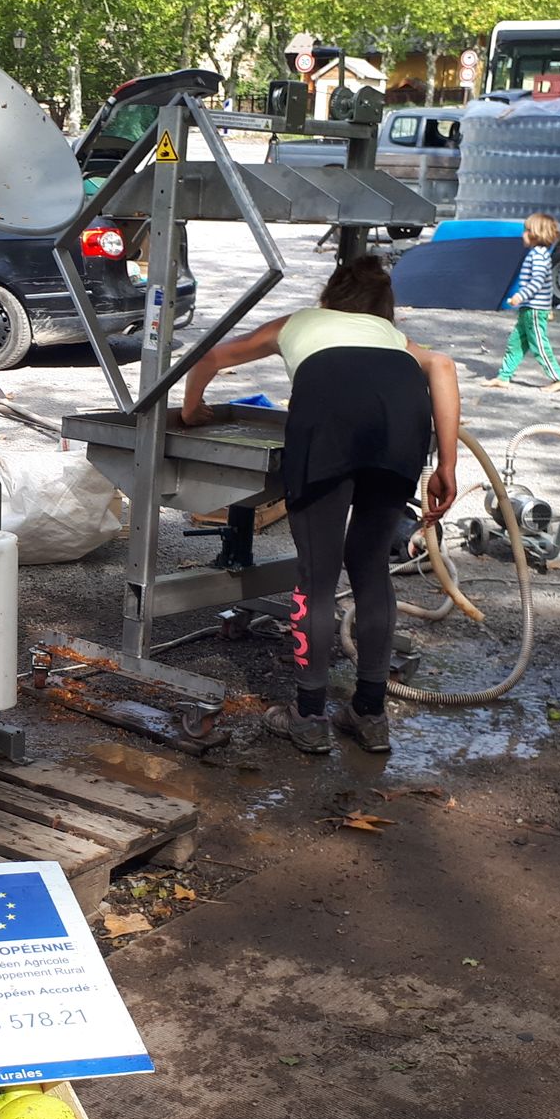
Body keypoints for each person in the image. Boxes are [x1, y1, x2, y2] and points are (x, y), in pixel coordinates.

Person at [180, 256, 460, 754]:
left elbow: (211, 357)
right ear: (384, 307)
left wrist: (190, 406)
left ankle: (308, 717)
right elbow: (442, 364)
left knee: (317, 576)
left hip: (327, 434)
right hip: (399, 434)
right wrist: (448, 466)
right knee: (370, 568)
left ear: (330, 295)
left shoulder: (300, 322)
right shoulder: (390, 336)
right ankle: (370, 714)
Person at [496, 213, 560, 388]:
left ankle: (559, 378)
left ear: (536, 234)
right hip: (530, 309)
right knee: (516, 343)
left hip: (534, 310)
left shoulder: (538, 256)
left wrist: (521, 296)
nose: (523, 234)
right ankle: (503, 377)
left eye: (527, 231)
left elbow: (538, 281)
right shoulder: (537, 254)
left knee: (539, 346)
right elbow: (547, 286)